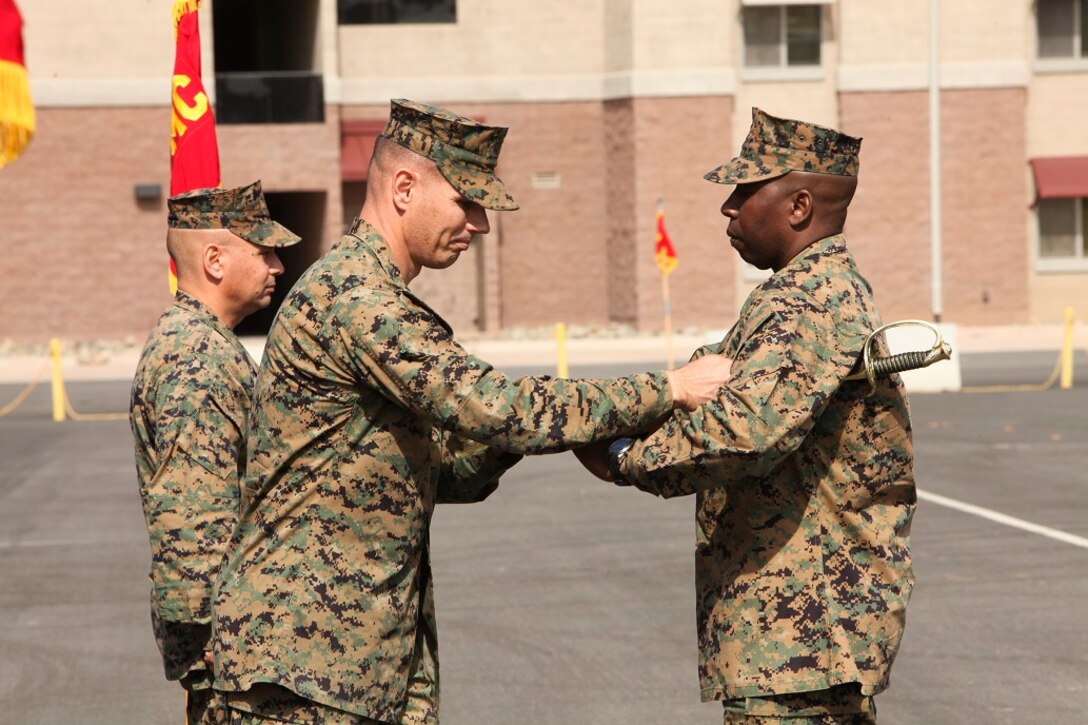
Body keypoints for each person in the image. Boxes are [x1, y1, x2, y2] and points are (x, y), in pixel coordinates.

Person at [210, 99, 732, 725]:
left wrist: (557, 432)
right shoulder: (357, 299)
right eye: (467, 201)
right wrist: (668, 389)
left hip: (350, 659)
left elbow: (448, 470)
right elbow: (498, 408)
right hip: (302, 665)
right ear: (404, 188)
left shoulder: (368, 298)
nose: (480, 224)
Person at [576, 108, 915, 724]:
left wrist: (629, 459)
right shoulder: (802, 294)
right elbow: (709, 384)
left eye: (745, 191)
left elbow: (745, 432)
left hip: (799, 635)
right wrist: (618, 407)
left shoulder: (808, 305)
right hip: (805, 638)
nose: (728, 208)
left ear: (799, 207)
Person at [130, 181, 301, 725]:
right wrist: (212, 638)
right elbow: (190, 510)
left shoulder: (205, 342)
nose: (277, 265)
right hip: (231, 652)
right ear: (214, 260)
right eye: (263, 251)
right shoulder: (196, 358)